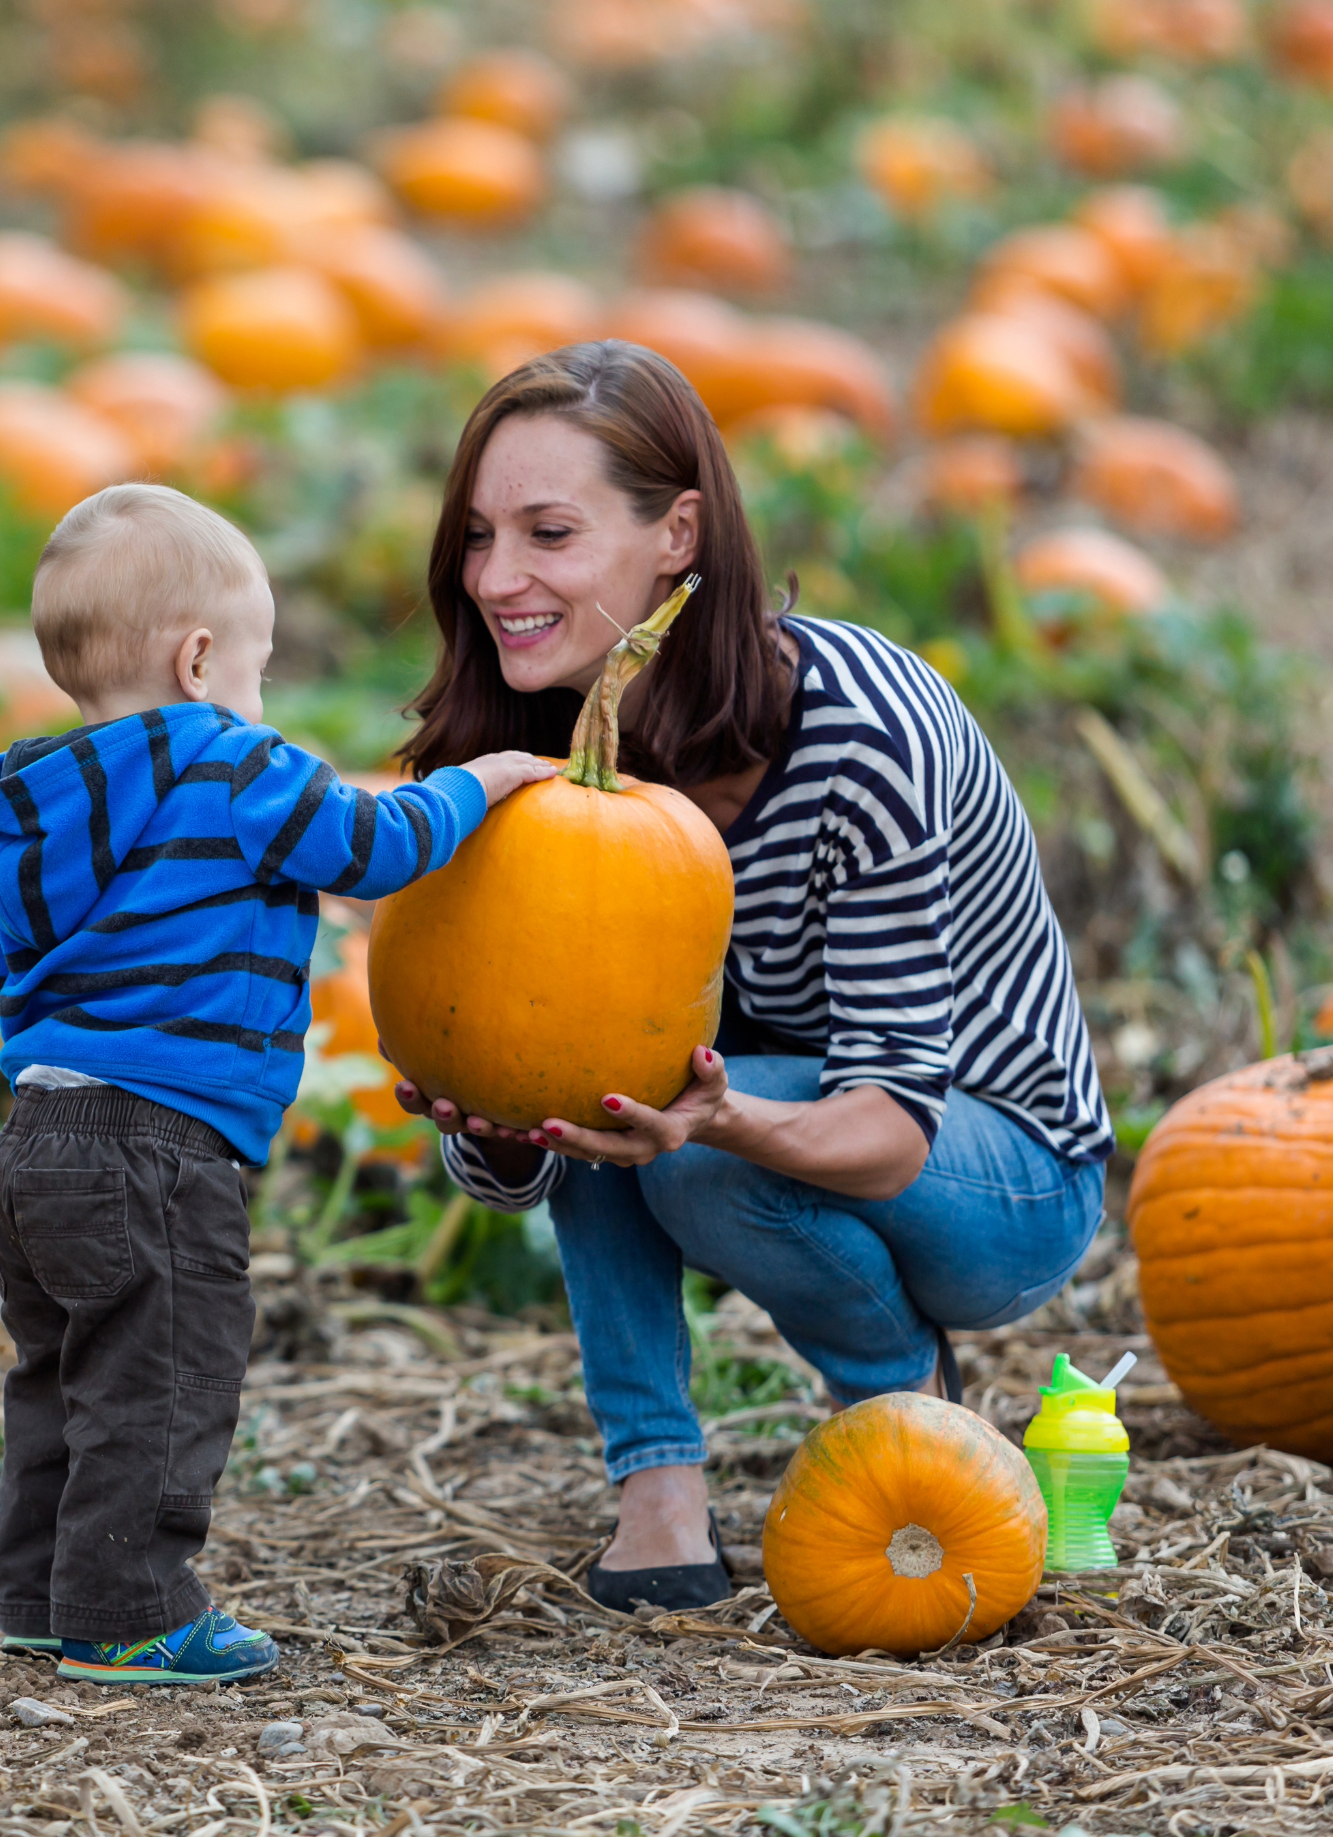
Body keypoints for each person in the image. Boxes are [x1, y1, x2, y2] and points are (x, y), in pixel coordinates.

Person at [392, 342, 1112, 1611]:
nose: (497, 579)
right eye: (476, 536)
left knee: (678, 1128)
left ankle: (903, 1403)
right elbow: (519, 1136)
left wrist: (711, 1116)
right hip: (737, 1117)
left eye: (549, 533)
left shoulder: (861, 734)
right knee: (616, 1091)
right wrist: (494, 1125)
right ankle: (656, 1492)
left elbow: (890, 1130)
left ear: (678, 532)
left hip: (991, 1170)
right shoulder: (520, 747)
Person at [0, 482, 555, 1684]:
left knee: (61, 1379)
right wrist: (481, 782)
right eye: (257, 668)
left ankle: (40, 1595)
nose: (260, 696)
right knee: (164, 1378)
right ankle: (129, 1613)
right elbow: (368, 848)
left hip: (36, 1141)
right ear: (196, 659)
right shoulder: (227, 760)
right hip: (158, 1143)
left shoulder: (38, 803)